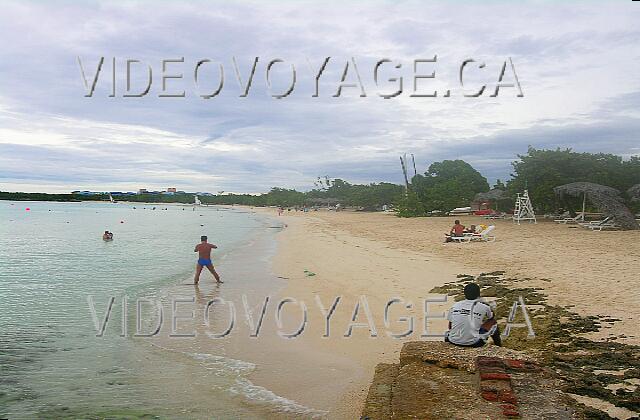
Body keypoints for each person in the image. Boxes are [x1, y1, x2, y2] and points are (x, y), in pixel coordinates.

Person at [445, 283, 502, 347]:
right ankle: (499, 346)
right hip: (474, 343)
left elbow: (450, 326)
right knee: (493, 322)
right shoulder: (484, 306)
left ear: (465, 294)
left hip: (453, 340)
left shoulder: (455, 305)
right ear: (478, 294)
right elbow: (491, 317)